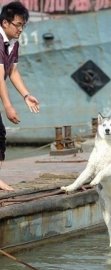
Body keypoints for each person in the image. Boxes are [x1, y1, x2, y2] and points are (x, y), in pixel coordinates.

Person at [0, 2, 39, 191]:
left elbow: (12, 71)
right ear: (5, 23)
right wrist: (8, 106)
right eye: (18, 25)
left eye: (23, 25)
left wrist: (26, 95)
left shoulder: (13, 43)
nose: (21, 29)